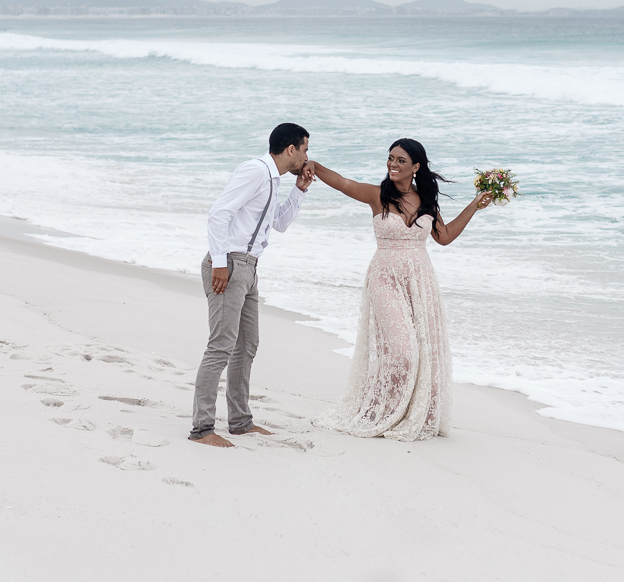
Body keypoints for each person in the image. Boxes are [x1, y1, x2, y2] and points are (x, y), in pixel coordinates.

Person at [308, 138, 492, 441]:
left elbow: (443, 237)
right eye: (390, 158)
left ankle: (407, 413)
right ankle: (380, 411)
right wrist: (315, 167)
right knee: (403, 351)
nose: (393, 164)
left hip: (419, 281)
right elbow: (343, 183)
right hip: (384, 278)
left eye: (401, 160)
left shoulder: (427, 201)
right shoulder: (377, 196)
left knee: (422, 351)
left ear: (416, 167)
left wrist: (473, 205)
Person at [189, 122, 313, 448]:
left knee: (247, 345)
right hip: (229, 264)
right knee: (221, 346)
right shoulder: (256, 171)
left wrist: (299, 190)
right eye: (305, 150)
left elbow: (280, 224)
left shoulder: (273, 180)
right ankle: (201, 428)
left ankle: (240, 422)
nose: (306, 157)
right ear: (291, 150)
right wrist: (219, 263)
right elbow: (219, 214)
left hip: (249, 268)